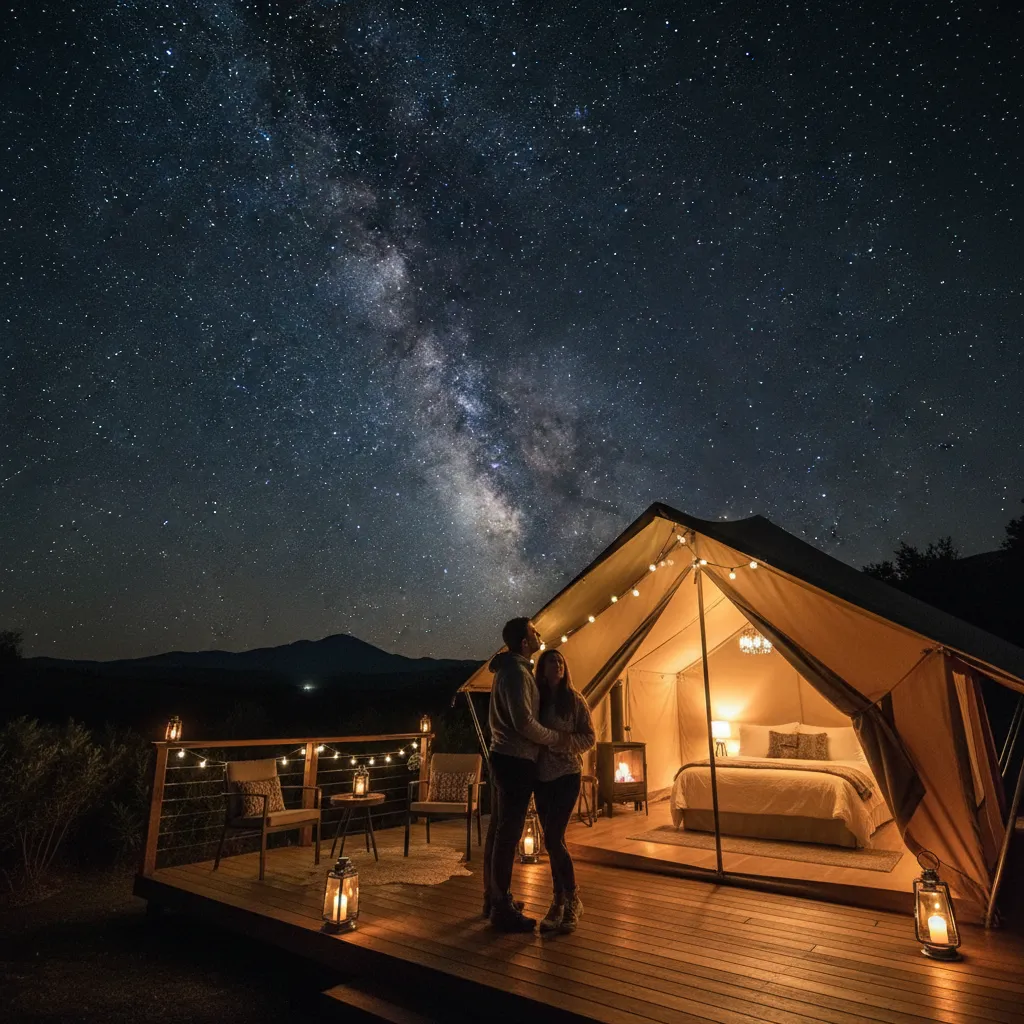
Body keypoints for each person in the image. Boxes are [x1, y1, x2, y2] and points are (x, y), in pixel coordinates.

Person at [483, 617, 565, 932]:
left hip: (505, 758)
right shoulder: (517, 673)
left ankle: (494, 898)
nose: (539, 634)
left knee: (499, 832)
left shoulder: (512, 670)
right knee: (508, 834)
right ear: (523, 642)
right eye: (533, 631)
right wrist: (555, 739)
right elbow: (524, 723)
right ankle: (501, 908)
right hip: (515, 760)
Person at [534, 649, 595, 934]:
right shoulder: (537, 699)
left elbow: (589, 737)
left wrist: (561, 742)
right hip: (542, 777)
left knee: (554, 838)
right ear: (542, 669)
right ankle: (557, 901)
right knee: (551, 841)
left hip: (568, 773)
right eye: (551, 661)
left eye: (560, 661)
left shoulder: (574, 700)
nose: (557, 665)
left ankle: (572, 899)